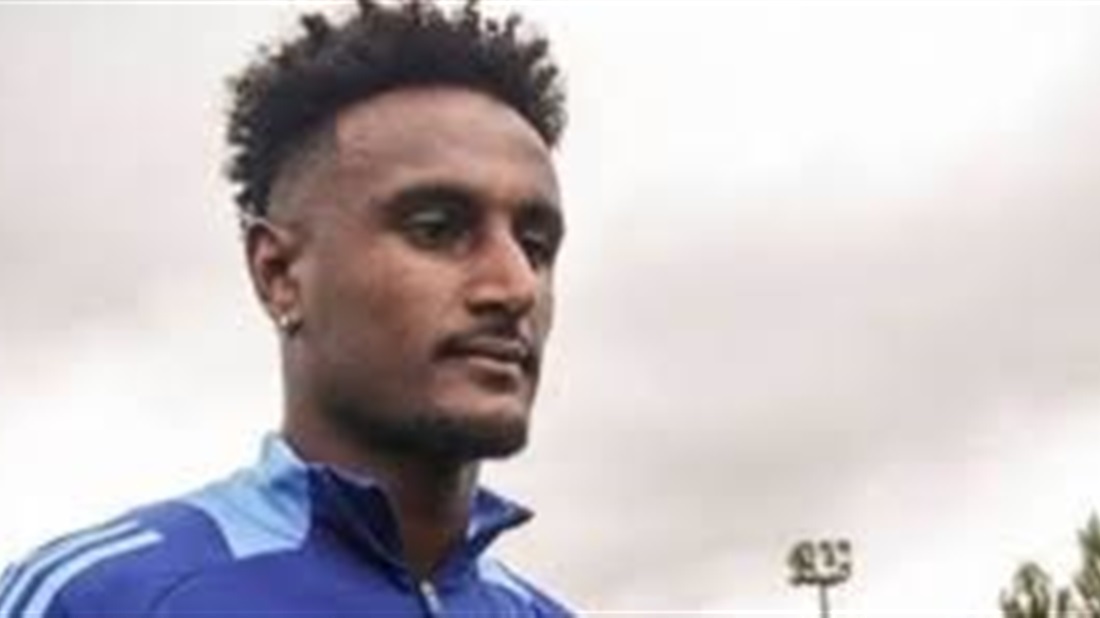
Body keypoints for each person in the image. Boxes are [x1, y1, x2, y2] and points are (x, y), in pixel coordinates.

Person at [0, 0, 570, 616]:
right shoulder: (99, 599)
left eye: (535, 246)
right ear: (278, 274)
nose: (515, 286)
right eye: (436, 229)